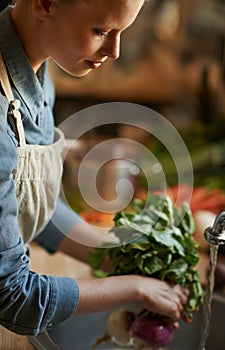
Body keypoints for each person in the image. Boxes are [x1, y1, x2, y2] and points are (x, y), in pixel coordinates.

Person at [0, 0, 189, 347]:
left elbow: (26, 204)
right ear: (45, 4)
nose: (115, 52)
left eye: (122, 32)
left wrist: (112, 256)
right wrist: (135, 288)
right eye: (100, 31)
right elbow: (13, 297)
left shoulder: (35, 67)